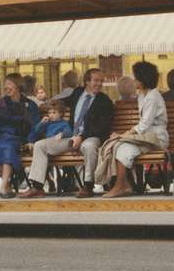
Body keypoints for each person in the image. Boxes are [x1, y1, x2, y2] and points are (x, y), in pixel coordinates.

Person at [21, 68, 114, 199]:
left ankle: (88, 186)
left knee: (89, 146)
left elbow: (102, 128)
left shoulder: (105, 101)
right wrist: (46, 104)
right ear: (87, 81)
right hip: (70, 137)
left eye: (101, 81)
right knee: (40, 145)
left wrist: (82, 137)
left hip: (90, 137)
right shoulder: (78, 93)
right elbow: (62, 100)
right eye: (96, 80)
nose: (99, 84)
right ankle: (37, 187)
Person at [95, 61, 168, 198]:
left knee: (121, 145)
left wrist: (124, 134)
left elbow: (144, 124)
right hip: (145, 138)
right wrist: (124, 136)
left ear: (143, 79)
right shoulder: (142, 95)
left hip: (156, 138)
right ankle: (124, 185)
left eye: (136, 78)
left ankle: (120, 186)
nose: (134, 81)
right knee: (119, 146)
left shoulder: (153, 97)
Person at [0, 73, 39, 198]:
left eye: (9, 84)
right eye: (5, 84)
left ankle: (4, 186)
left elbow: (34, 126)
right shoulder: (0, 104)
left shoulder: (29, 105)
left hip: (19, 137)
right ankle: (6, 187)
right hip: (1, 136)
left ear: (18, 86)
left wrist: (31, 140)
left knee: (7, 146)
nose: (6, 87)